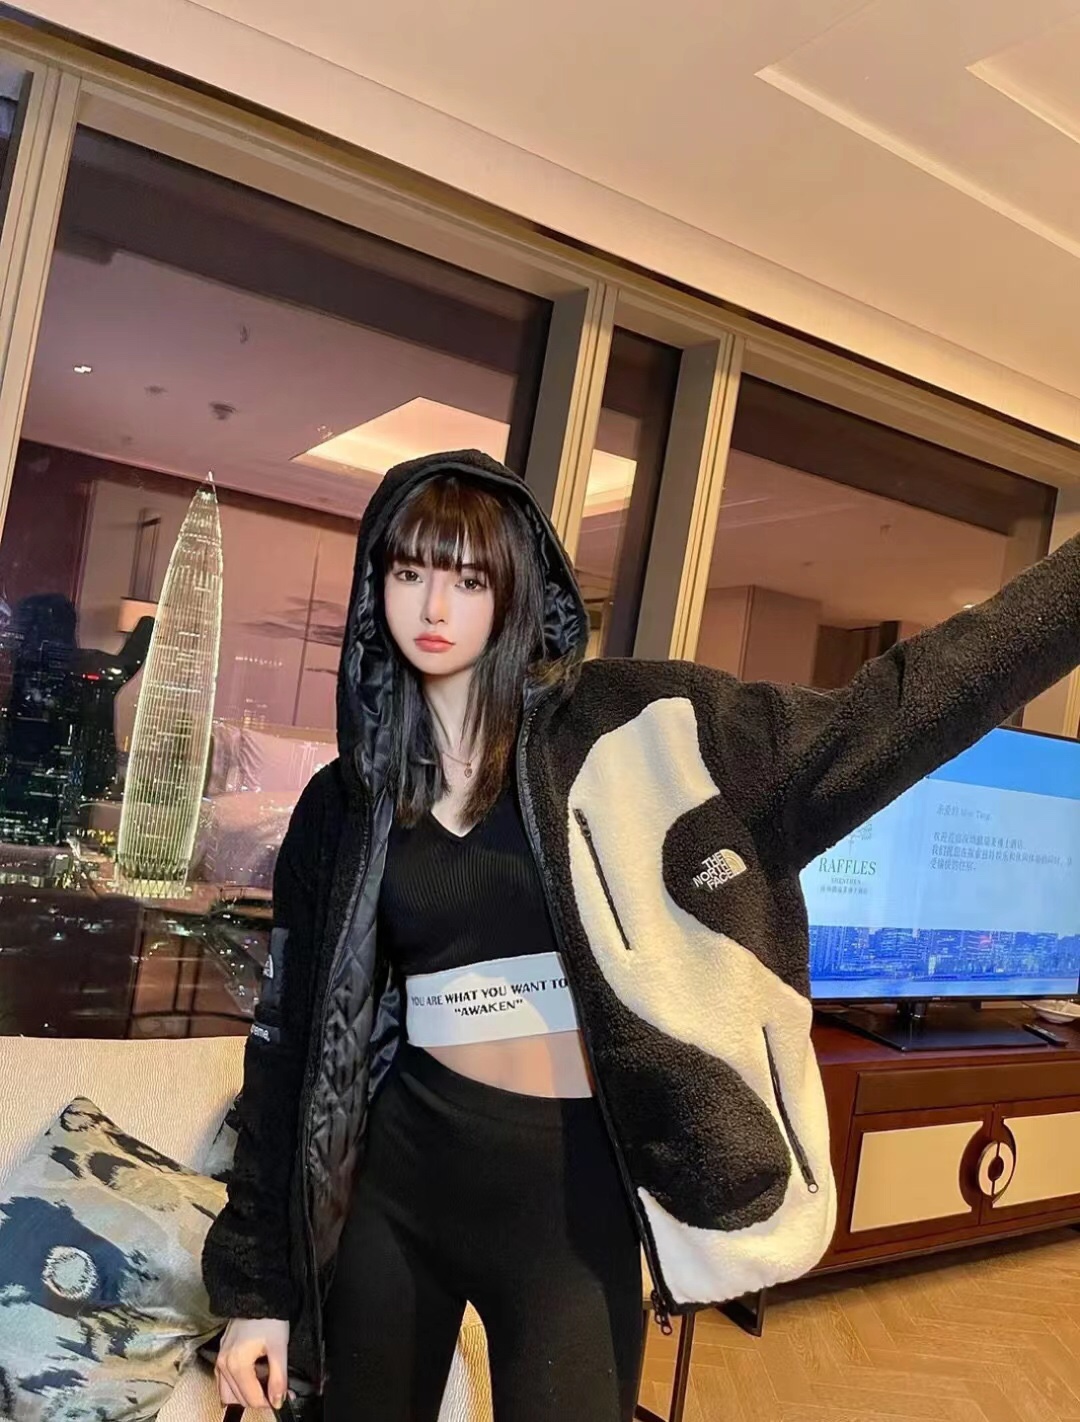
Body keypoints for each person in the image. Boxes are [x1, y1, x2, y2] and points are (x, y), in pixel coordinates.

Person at [203, 449, 1080, 1421]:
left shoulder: (643, 730)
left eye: (469, 578)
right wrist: (258, 1291)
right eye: (410, 572)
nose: (435, 606)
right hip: (398, 1185)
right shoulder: (346, 803)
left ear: (517, 589)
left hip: (572, 1203)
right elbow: (287, 1046)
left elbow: (898, 707)